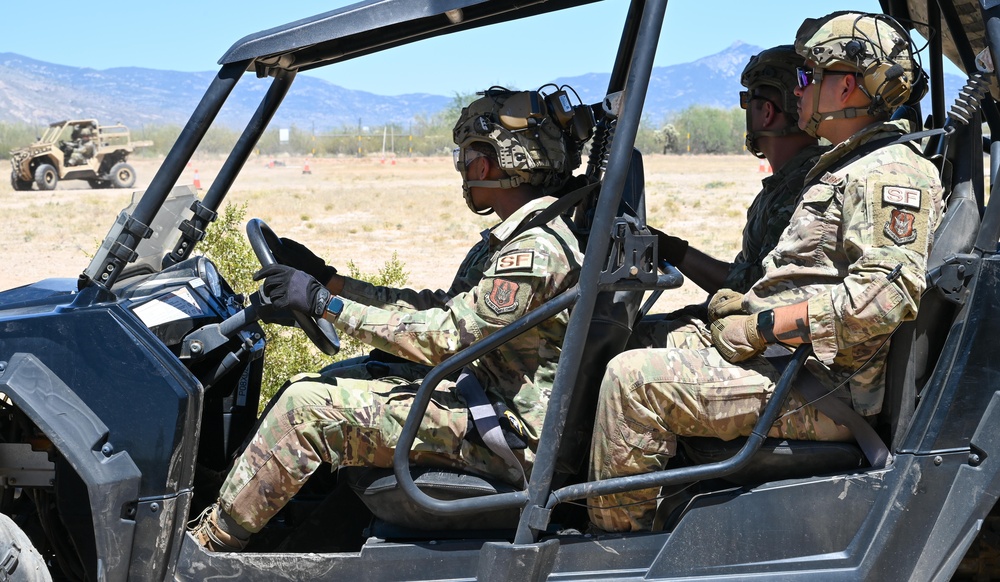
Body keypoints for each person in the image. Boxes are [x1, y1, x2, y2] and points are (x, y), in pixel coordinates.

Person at [588, 11, 944, 532]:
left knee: (632, 381)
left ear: (845, 85)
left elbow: (885, 296)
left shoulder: (888, 172)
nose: (800, 93)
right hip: (791, 364)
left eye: (808, 77)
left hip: (819, 384)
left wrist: (762, 325)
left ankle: (614, 547)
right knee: (634, 339)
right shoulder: (847, 166)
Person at [191, 86, 590, 551]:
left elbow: (447, 338)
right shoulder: (511, 238)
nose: (464, 171)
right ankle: (291, 535)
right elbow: (436, 308)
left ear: (489, 163)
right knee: (332, 378)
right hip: (484, 396)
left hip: (508, 434)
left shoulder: (534, 249)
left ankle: (204, 550)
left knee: (306, 409)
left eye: (466, 159)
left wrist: (326, 305)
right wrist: (332, 283)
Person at [629, 45, 829, 351]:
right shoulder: (789, 181)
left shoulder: (799, 189)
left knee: (623, 346)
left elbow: (747, 288)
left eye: (747, 102)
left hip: (770, 345)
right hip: (764, 334)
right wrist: (666, 246)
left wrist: (672, 250)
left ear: (766, 111)